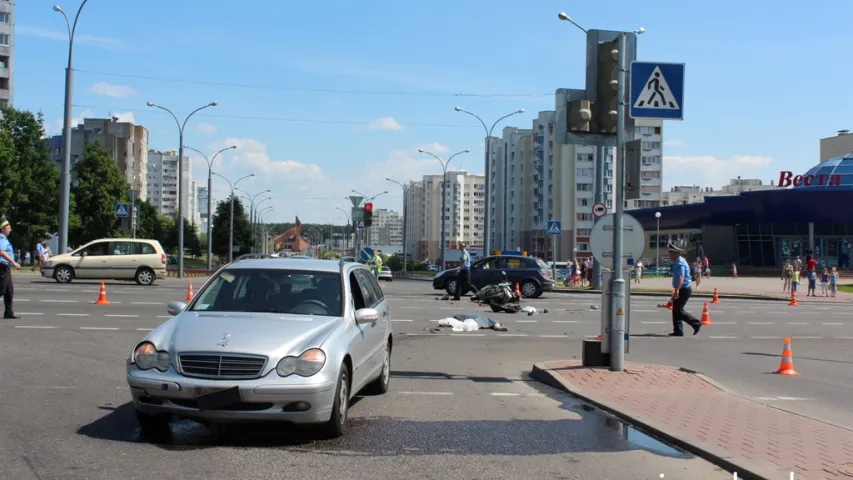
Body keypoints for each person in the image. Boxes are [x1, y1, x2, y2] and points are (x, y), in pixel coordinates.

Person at [668, 243, 701, 337]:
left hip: (684, 289)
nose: (669, 255)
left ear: (676, 253)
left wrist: (677, 290)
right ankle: (678, 331)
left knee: (678, 310)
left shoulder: (680, 263)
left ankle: (696, 323)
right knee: (676, 310)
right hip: (681, 288)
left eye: (671, 253)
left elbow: (681, 277)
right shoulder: (677, 262)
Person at [0, 216, 22, 319]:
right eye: (9, 228)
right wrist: (14, 262)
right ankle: (8, 312)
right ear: (3, 229)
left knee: (9, 290)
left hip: (5, 267)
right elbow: (1, 252)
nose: (10, 229)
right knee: (2, 289)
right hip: (2, 266)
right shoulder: (2, 238)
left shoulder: (4, 238)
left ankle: (8, 312)